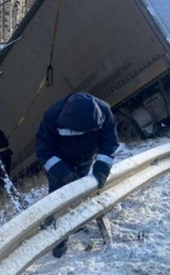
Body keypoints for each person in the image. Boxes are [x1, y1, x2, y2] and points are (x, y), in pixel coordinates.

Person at [36, 92, 119, 258]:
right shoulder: (53, 115)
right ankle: (59, 239)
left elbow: (109, 144)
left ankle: (76, 222)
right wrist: (63, 173)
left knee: (80, 193)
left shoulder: (104, 112)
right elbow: (44, 150)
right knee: (58, 199)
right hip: (58, 162)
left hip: (84, 159)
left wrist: (101, 169)